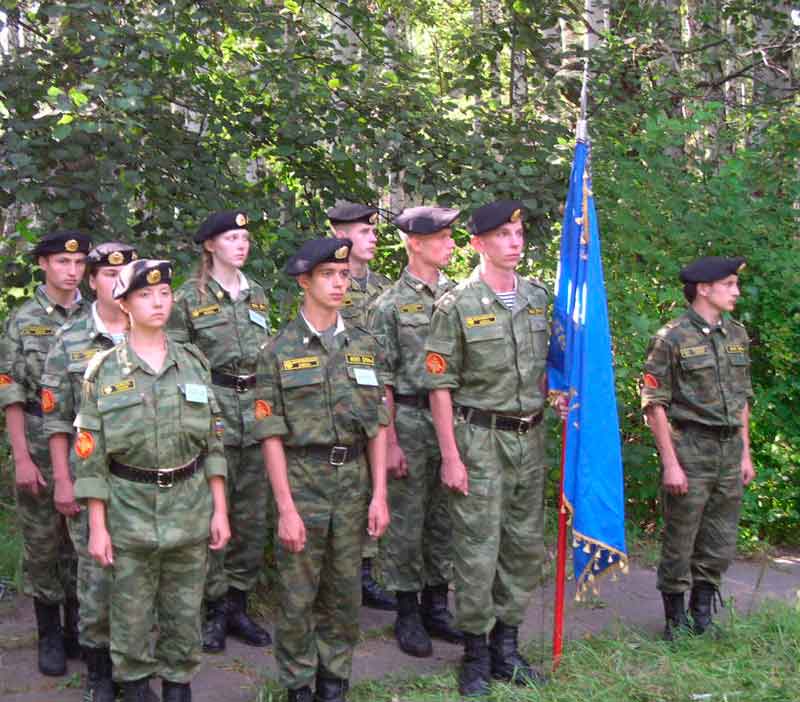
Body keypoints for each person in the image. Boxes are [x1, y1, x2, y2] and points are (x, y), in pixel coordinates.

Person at [73, 259, 230, 702]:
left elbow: (213, 443)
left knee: (185, 612)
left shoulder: (193, 364)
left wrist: (220, 509)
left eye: (164, 293)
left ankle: (179, 687)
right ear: (124, 304)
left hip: (190, 507)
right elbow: (90, 458)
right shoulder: (103, 371)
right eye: (144, 295)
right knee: (130, 614)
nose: (158, 302)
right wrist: (98, 527)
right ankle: (136, 687)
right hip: (129, 510)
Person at [425, 200, 553, 696]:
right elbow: (440, 387)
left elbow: (545, 367)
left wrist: (556, 395)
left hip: (530, 438)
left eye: (518, 233)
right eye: (502, 234)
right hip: (479, 440)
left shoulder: (537, 297)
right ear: (478, 243)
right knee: (477, 549)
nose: (514, 242)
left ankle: (507, 646)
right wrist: (451, 456)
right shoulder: (455, 305)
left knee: (523, 546)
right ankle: (475, 653)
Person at [255, 237, 390, 702]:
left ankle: (334, 682)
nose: (339, 284)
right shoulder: (276, 351)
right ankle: (298, 684)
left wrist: (379, 494)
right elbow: (270, 434)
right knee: (297, 595)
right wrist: (285, 508)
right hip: (301, 480)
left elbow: (377, 426)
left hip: (352, 482)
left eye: (344, 275)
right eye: (328, 275)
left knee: (345, 592)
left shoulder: (364, 345)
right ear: (304, 281)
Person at [167, 210, 272, 653]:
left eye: (244, 238)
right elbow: (175, 363)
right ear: (210, 245)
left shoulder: (257, 294)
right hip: (213, 409)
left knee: (252, 514)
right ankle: (212, 608)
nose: (241, 245)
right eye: (231, 238)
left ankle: (238, 604)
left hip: (256, 411)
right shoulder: (187, 298)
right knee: (214, 511)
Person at [42, 242, 138, 701]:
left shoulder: (156, 333)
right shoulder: (70, 339)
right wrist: (63, 481)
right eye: (110, 276)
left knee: (142, 579)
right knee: (97, 579)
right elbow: (56, 420)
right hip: (91, 479)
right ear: (93, 280)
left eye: (127, 274)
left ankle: (135, 672)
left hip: (145, 482)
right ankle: (99, 672)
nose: (119, 284)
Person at [641, 256, 755, 640]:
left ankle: (702, 614)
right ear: (704, 289)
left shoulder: (736, 334)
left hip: (729, 448)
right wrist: (670, 462)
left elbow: (742, 400)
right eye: (729, 284)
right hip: (690, 446)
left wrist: (745, 453)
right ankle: (675, 620)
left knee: (720, 538)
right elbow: (654, 404)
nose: (736, 292)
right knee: (681, 537)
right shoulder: (671, 338)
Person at [368, 206, 462, 658]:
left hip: (452, 419)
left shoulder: (460, 297)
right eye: (441, 238)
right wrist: (388, 441)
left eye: (451, 236)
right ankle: (407, 611)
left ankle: (437, 605)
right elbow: (380, 379)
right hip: (407, 418)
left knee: (445, 516)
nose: (451, 245)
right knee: (407, 520)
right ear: (415, 243)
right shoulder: (388, 305)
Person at [0, 229, 92, 676]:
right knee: (43, 540)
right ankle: (48, 632)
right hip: (38, 437)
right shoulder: (24, 319)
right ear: (43, 264)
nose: (72, 271)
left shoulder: (96, 315)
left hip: (86, 439)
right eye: (62, 262)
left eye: (79, 264)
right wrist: (21, 456)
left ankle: (78, 627)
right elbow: (11, 392)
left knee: (83, 536)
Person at [328, 202, 396, 611]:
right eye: (364, 232)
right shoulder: (327, 283)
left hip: (378, 393)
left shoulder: (385, 287)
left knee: (374, 483)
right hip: (340, 397)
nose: (373, 238)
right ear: (341, 236)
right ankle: (340, 575)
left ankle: (366, 571)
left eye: (374, 231)